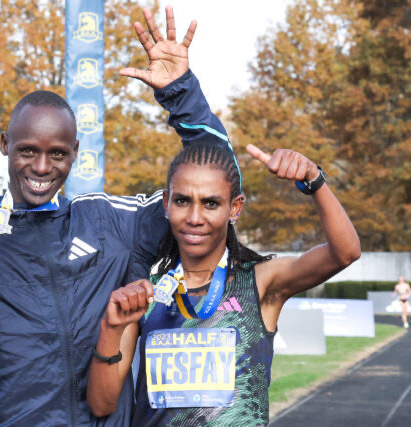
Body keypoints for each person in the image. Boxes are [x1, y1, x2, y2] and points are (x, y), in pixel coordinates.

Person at [0, 7, 225, 425]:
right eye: (27, 151)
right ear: (4, 145)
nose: (42, 167)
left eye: (57, 154)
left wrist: (181, 94)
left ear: (75, 152)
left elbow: (216, 183)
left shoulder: (110, 222)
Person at [86, 138, 361, 426]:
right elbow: (101, 405)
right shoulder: (147, 293)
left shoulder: (260, 282)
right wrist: (110, 328)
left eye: (211, 203)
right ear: (166, 203)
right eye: (182, 201)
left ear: (234, 208)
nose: (195, 217)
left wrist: (313, 179)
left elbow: (345, 253)